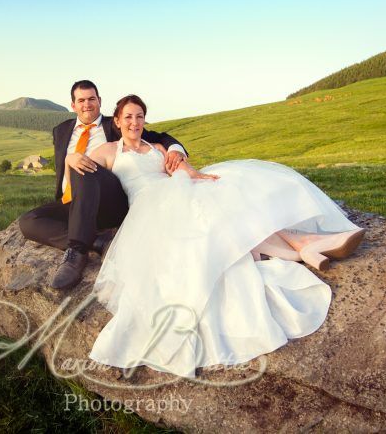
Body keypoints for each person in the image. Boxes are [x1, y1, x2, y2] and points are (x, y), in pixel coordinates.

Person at [86, 94, 365, 378]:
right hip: (150, 207)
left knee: (230, 192)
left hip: (177, 189)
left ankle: (304, 244)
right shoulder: (108, 151)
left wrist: (193, 174)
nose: (134, 122)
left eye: (139, 116)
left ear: (145, 120)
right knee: (220, 212)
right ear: (117, 121)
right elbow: (81, 174)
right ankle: (303, 244)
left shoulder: (157, 146)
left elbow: (177, 167)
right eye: (128, 117)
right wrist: (73, 158)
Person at [18, 81, 189, 289]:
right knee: (29, 221)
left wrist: (175, 149)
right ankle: (99, 242)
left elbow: (157, 136)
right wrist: (68, 160)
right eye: (81, 100)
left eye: (92, 99)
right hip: (73, 202)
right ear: (73, 105)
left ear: (99, 101)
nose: (87, 104)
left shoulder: (116, 124)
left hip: (108, 200)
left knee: (84, 164)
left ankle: (77, 251)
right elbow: (66, 163)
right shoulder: (61, 130)